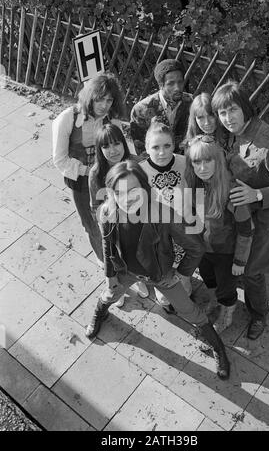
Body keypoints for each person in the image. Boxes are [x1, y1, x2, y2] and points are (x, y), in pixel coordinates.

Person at [85, 160, 231, 380]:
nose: (127, 198)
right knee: (109, 295)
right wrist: (110, 275)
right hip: (126, 272)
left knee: (190, 310)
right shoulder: (107, 211)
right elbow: (107, 246)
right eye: (119, 192)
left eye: (134, 190)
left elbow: (195, 246)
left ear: (145, 188)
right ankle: (100, 313)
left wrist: (182, 273)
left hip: (162, 276)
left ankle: (218, 349)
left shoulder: (163, 213)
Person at [211, 80, 269, 339]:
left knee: (252, 274)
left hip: (263, 223)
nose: (227, 118)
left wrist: (257, 194)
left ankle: (259, 314)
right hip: (240, 219)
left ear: (245, 108)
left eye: (232, 110)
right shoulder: (237, 133)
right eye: (222, 113)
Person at [52, 72, 124, 266]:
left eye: (109, 100)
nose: (104, 105)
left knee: (116, 221)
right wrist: (89, 171)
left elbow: (120, 148)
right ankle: (109, 268)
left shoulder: (112, 119)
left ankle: (124, 263)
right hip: (82, 182)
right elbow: (60, 160)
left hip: (109, 178)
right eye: (100, 99)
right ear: (89, 96)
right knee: (92, 224)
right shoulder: (68, 118)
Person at [185, 134, 254, 333]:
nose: (203, 167)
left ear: (218, 160)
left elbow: (246, 229)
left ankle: (227, 313)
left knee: (226, 288)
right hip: (203, 250)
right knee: (210, 280)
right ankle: (215, 300)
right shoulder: (194, 185)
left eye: (208, 160)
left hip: (226, 253)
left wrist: (240, 261)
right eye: (197, 162)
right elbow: (192, 218)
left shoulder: (232, 192)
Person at [88, 122, 149, 306]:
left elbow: (149, 192)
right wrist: (106, 219)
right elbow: (95, 206)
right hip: (113, 225)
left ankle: (139, 279)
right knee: (116, 256)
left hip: (138, 221)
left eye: (116, 143)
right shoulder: (96, 173)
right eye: (105, 146)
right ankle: (116, 287)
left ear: (124, 142)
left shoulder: (137, 163)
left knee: (137, 253)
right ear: (99, 149)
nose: (112, 150)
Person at [139, 119, 188, 314]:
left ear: (174, 145)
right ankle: (165, 298)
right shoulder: (141, 170)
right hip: (158, 230)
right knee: (163, 267)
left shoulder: (184, 163)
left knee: (183, 264)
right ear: (146, 148)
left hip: (182, 224)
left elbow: (195, 193)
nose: (162, 152)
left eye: (167, 146)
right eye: (156, 147)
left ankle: (185, 290)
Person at [130, 59, 192, 156]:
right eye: (171, 83)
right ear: (160, 85)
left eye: (180, 82)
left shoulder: (191, 103)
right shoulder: (141, 110)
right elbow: (141, 150)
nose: (177, 88)